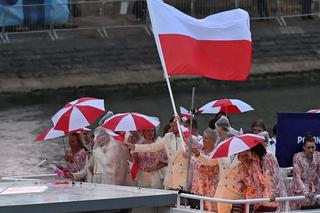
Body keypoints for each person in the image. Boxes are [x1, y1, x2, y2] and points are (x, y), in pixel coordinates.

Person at [124, 117, 200, 190]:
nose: (171, 128)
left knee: (181, 202)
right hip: (170, 178)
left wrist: (184, 135)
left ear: (179, 126)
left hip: (183, 177)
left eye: (173, 126)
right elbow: (151, 147)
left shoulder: (189, 138)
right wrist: (133, 146)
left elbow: (197, 146)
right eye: (171, 126)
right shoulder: (167, 137)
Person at [238, 143, 288, 212]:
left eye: (248, 151)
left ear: (253, 151)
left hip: (275, 195)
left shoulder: (268, 157)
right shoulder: (254, 163)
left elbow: (276, 177)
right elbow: (255, 183)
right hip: (264, 198)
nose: (247, 154)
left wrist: (274, 194)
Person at [289, 132, 320, 209]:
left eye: (313, 147)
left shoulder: (318, 155)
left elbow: (319, 173)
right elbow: (297, 176)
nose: (311, 150)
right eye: (308, 147)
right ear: (304, 147)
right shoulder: (297, 157)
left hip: (313, 188)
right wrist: (305, 191)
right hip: (298, 189)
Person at [191, 128, 219, 212]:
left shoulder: (217, 152)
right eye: (203, 137)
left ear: (213, 141)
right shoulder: (200, 150)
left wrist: (194, 156)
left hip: (210, 190)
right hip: (197, 188)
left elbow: (207, 164)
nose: (203, 140)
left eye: (206, 138)